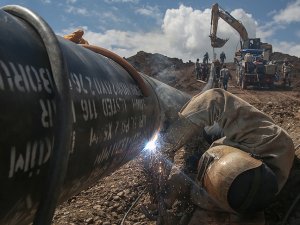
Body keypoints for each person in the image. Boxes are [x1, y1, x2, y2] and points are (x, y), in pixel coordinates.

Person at [160, 88, 294, 224]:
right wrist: (167, 145)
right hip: (242, 139)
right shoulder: (268, 138)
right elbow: (214, 98)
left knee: (195, 162)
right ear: (250, 157)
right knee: (208, 130)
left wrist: (178, 188)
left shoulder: (231, 204)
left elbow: (199, 199)